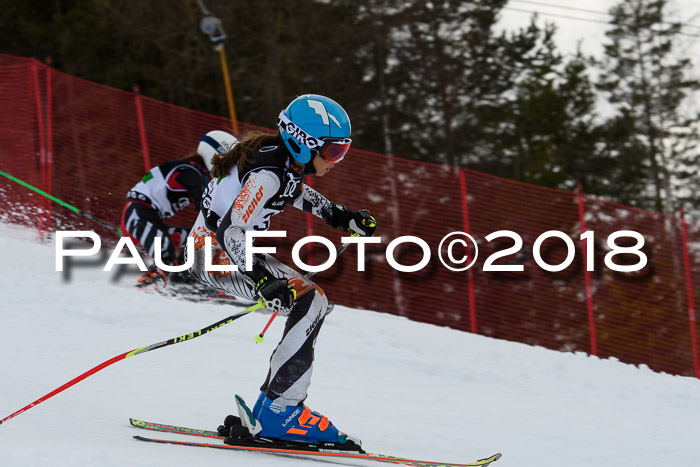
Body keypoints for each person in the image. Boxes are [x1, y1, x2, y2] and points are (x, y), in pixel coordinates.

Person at [186, 95, 376, 450]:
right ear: (304, 144)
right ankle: (281, 411)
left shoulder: (281, 163)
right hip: (213, 253)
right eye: (333, 152)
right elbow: (231, 230)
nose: (337, 161)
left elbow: (299, 194)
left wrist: (342, 217)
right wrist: (261, 277)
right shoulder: (268, 174)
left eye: (343, 152)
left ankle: (273, 408)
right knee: (312, 302)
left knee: (311, 302)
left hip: (221, 250)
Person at [121, 130, 238, 288]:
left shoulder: (194, 172)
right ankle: (147, 287)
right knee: (165, 256)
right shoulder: (188, 171)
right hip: (138, 214)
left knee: (199, 239)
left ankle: (183, 279)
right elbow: (203, 203)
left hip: (148, 219)